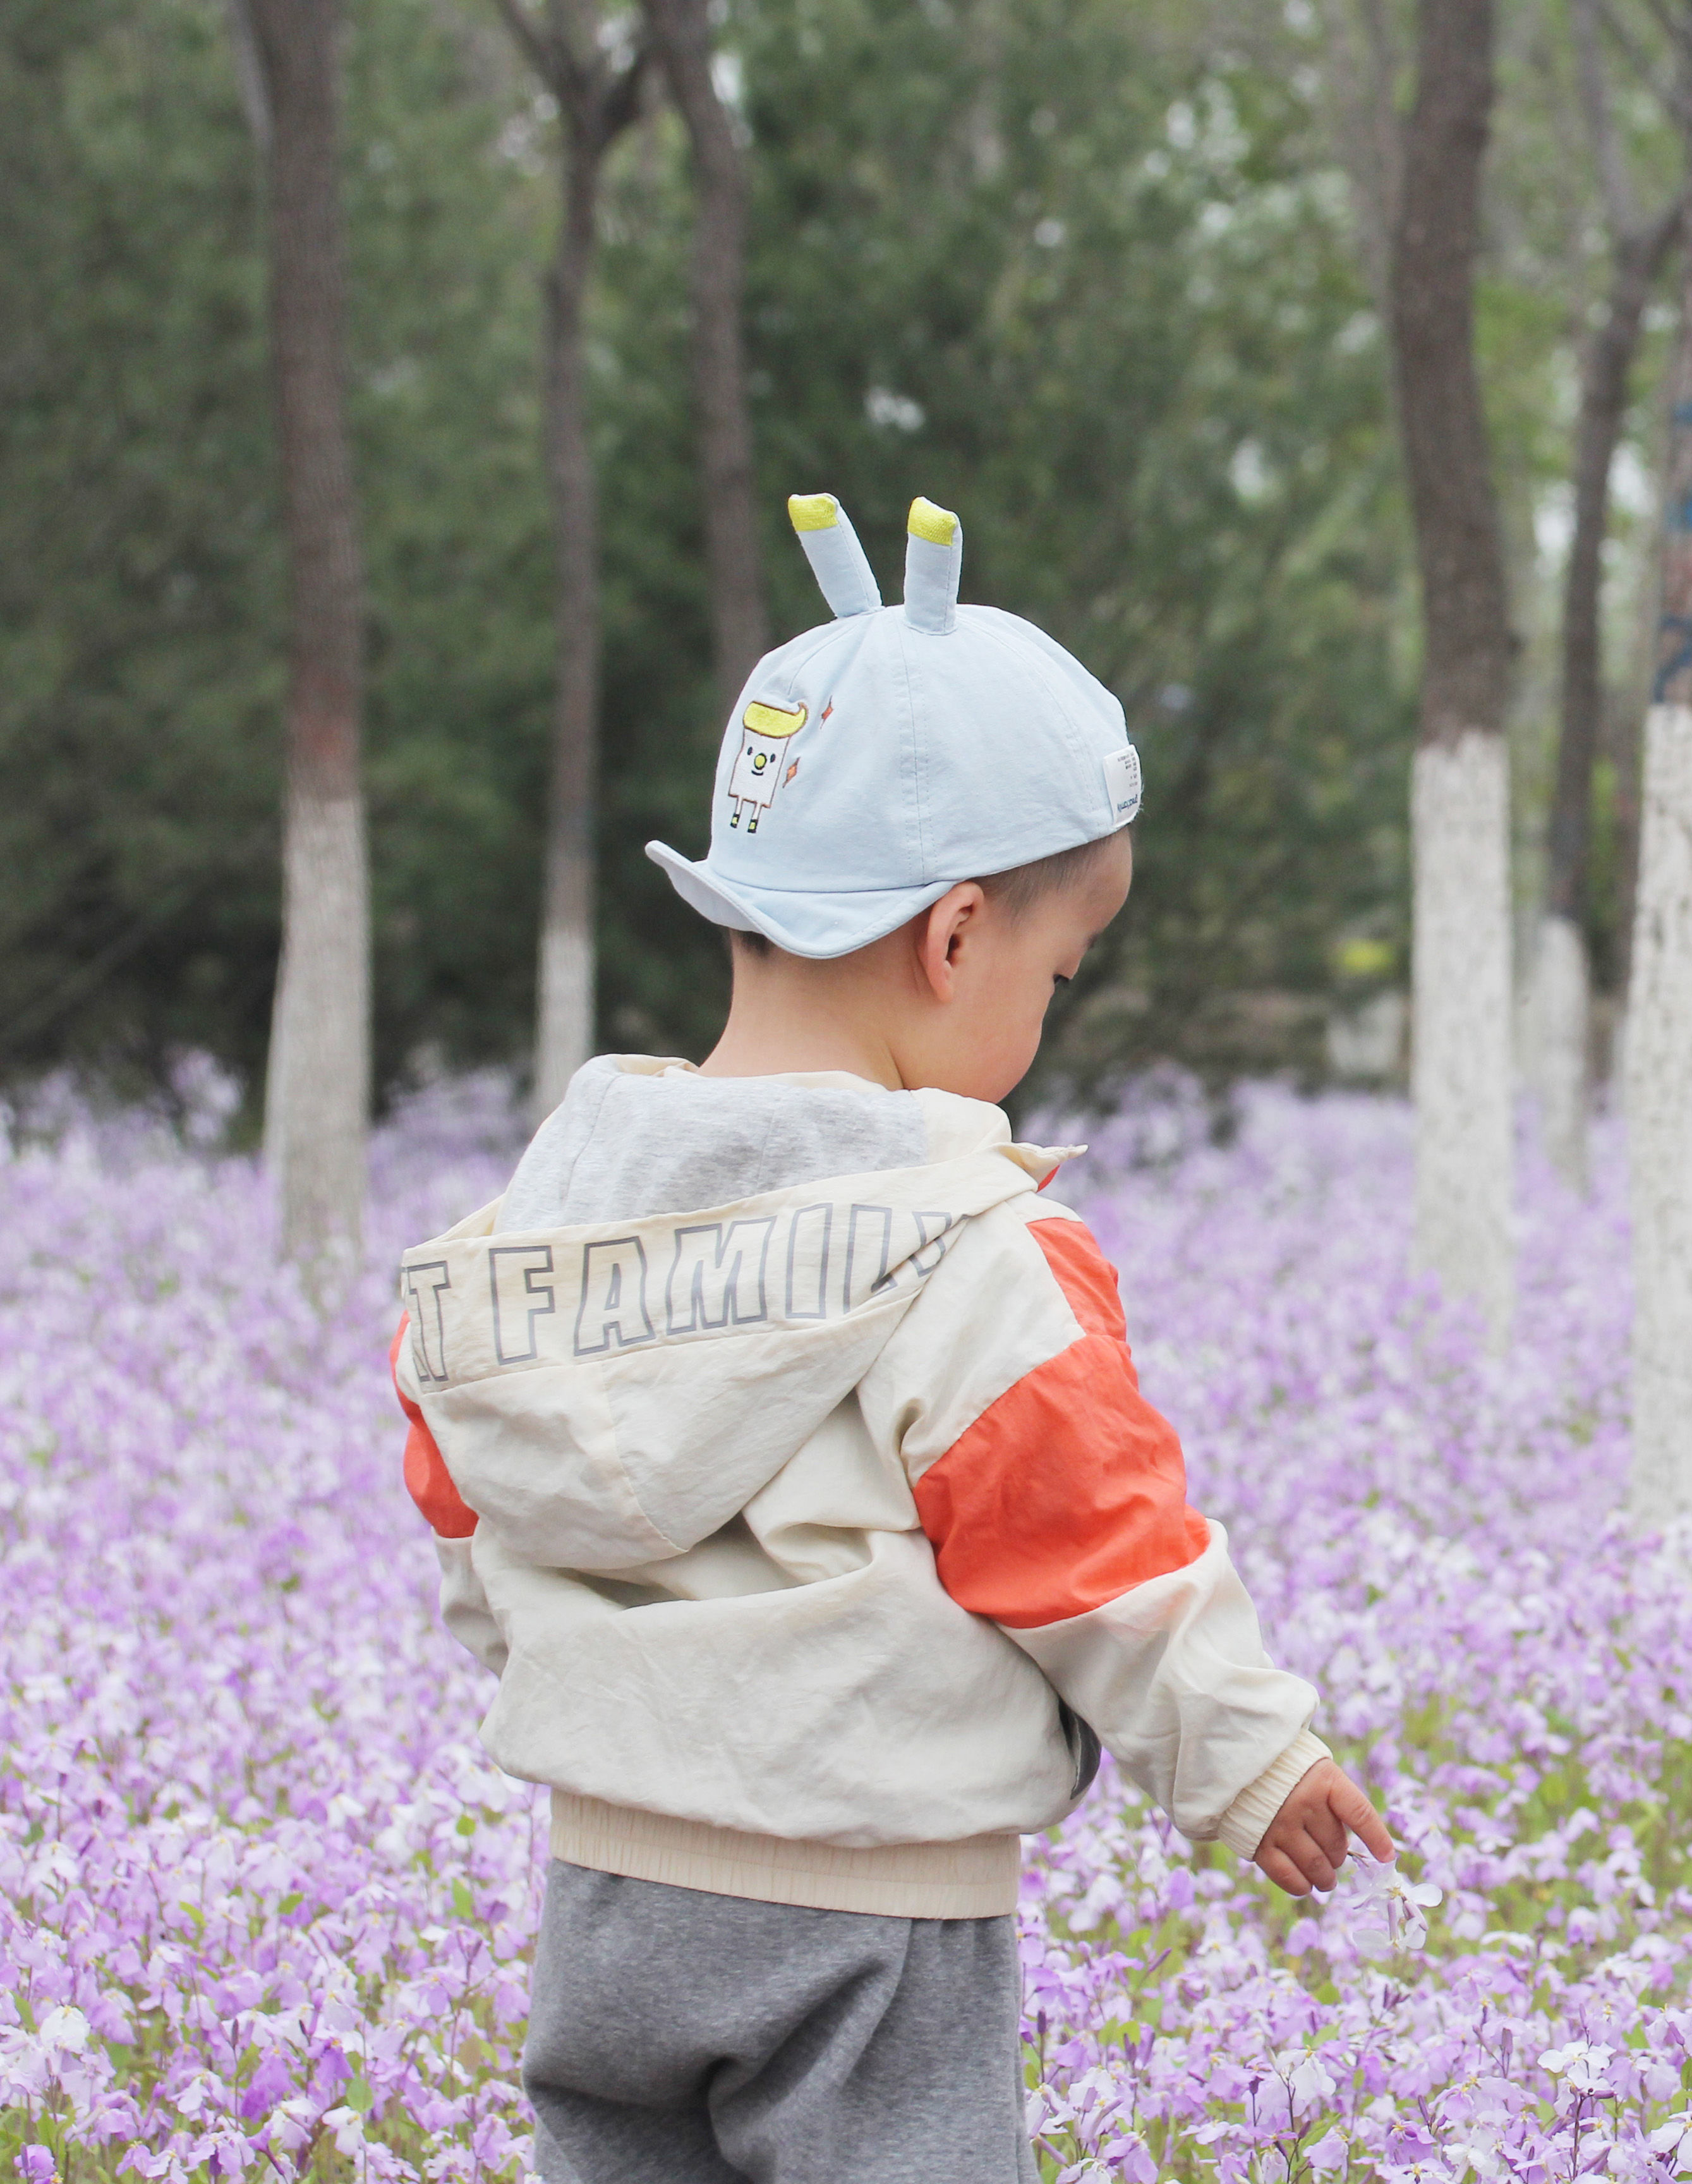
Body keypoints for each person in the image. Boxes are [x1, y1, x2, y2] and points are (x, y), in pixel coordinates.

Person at [390, 492, 1393, 2183]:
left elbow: (462, 1478)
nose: (1048, 1010)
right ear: (953, 938)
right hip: (861, 1914)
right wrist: (1249, 1756)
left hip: (610, 1899)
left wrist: (605, 1689)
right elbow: (1090, 1543)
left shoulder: (552, 1204)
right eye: (1061, 971)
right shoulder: (971, 1243)